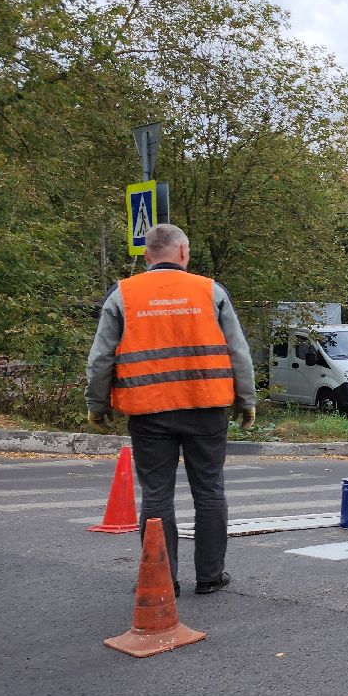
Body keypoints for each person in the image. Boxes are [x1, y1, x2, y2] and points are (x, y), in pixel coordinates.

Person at [85, 223, 256, 595]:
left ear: (147, 256)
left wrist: (97, 405)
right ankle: (210, 576)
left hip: (149, 413)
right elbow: (238, 352)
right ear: (183, 253)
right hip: (206, 408)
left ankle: (162, 578)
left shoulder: (123, 295)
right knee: (209, 490)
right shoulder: (210, 291)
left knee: (157, 495)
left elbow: (100, 358)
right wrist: (247, 401)